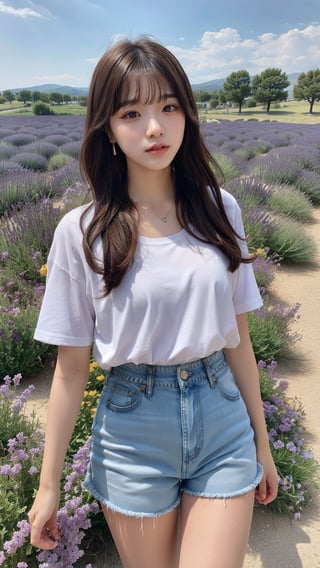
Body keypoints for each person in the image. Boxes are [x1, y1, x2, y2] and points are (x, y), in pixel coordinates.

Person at [28, 37, 278, 568]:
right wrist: (49, 486)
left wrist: (263, 441)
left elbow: (238, 339)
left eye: (168, 107)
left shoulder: (219, 209)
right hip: (132, 431)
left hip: (221, 417)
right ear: (108, 129)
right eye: (132, 113)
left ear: (187, 112)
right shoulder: (81, 232)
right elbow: (71, 370)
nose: (155, 128)